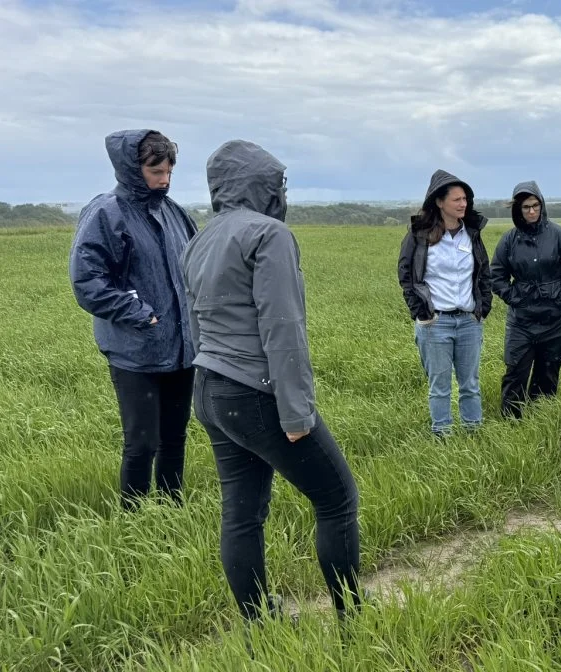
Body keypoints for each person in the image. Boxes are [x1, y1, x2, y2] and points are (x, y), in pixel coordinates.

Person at [182, 140, 362, 622]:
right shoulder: (269, 234)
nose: (283, 193)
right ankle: (354, 620)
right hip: (256, 391)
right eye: (278, 183)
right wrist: (297, 411)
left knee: (242, 512)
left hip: (210, 389)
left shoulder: (201, 238)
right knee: (337, 497)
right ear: (262, 185)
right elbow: (282, 326)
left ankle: (258, 621)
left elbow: (196, 321)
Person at [69, 129, 197, 509]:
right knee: (141, 442)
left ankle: (173, 511)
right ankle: (134, 521)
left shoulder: (175, 213)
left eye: (169, 172)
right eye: (156, 171)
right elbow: (87, 280)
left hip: (182, 349)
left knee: (175, 438)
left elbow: (195, 270)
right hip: (134, 350)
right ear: (131, 167)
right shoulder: (106, 213)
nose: (164, 180)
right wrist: (141, 314)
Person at [398, 170, 493, 437]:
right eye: (456, 200)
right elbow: (406, 275)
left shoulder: (471, 234)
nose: (463, 204)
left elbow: (483, 272)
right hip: (435, 323)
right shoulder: (419, 234)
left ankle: (474, 433)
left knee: (470, 384)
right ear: (439, 202)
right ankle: (443, 437)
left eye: (465, 199)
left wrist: (482, 308)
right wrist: (421, 313)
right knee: (439, 386)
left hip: (468, 322)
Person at [490, 181, 561, 419]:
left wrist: (558, 297)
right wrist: (514, 298)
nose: (531, 212)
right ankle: (511, 424)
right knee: (515, 372)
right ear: (517, 210)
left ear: (542, 206)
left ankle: (540, 419)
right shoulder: (509, 241)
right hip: (522, 320)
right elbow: (496, 275)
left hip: (557, 318)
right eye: (525, 207)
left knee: (549, 371)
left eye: (535, 206)